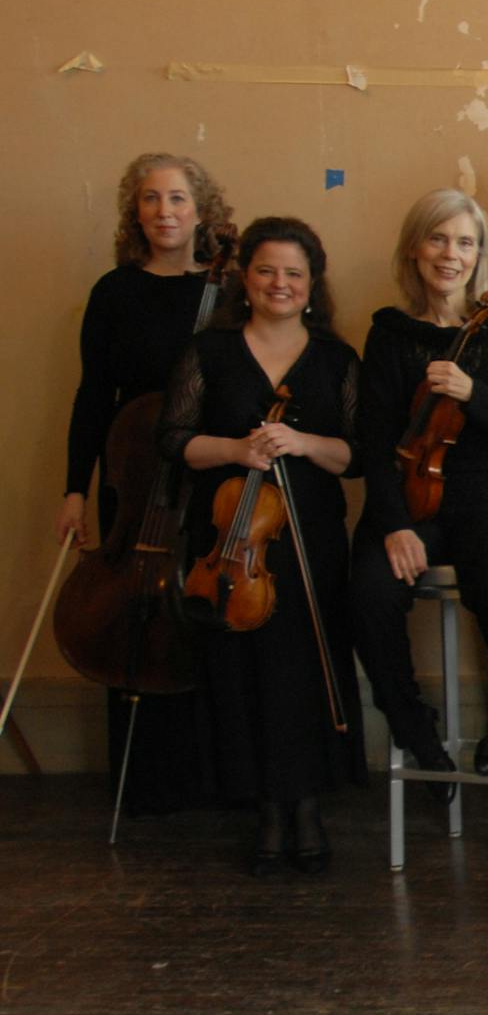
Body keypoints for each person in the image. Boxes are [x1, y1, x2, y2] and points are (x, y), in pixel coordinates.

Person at [156, 217, 360, 872]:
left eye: (293, 273)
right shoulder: (210, 352)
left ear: (311, 284)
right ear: (245, 278)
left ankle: (306, 803)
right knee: (243, 670)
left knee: (301, 670)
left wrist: (301, 442)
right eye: (267, 270)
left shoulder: (336, 359)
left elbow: (355, 455)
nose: (280, 283)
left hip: (309, 538)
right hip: (232, 539)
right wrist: (237, 449)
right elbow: (174, 439)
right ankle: (267, 809)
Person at [350, 190, 488, 794]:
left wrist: (474, 394)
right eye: (438, 239)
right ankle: (414, 727)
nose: (451, 254)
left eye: (465, 242)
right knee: (368, 591)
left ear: (479, 254)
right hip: (413, 504)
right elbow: (375, 442)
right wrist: (394, 525)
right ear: (414, 250)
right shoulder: (390, 334)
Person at [59, 153, 236, 814]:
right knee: (132, 610)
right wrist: (75, 490)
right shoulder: (115, 291)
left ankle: (212, 775)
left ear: (201, 209)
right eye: (151, 199)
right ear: (134, 212)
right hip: (133, 475)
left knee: (200, 609)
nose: (165, 211)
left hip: (205, 475)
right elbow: (92, 396)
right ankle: (140, 781)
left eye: (178, 198)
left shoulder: (227, 290)